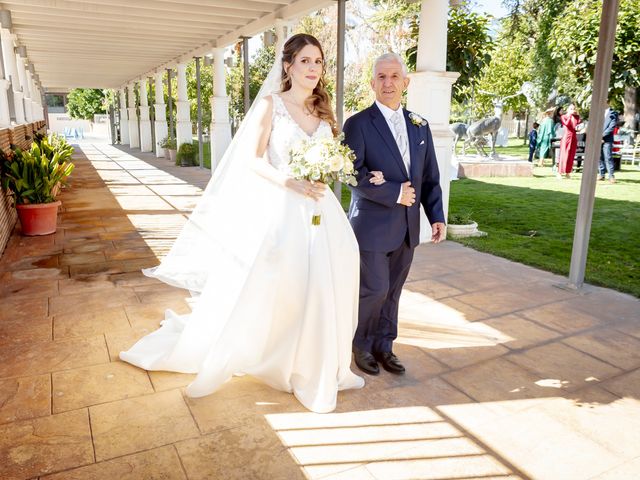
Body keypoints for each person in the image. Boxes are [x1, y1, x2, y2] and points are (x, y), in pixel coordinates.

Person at [120, 34, 370, 414]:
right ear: (288, 66)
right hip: (284, 207)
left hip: (321, 207)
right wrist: (291, 182)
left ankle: (318, 358)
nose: (313, 69)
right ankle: (281, 356)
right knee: (286, 286)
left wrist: (325, 170)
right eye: (305, 61)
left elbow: (331, 156)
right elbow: (252, 161)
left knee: (325, 280)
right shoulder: (271, 106)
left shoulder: (323, 111)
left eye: (318, 62)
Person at [343, 53, 445, 376]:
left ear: (405, 82)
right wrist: (393, 192)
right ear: (372, 83)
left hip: (407, 228)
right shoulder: (357, 124)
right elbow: (351, 174)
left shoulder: (420, 126)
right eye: (381, 77)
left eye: (393, 76)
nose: (388, 83)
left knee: (394, 290)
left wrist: (436, 216)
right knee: (374, 288)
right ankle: (360, 344)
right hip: (370, 226)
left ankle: (385, 345)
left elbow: (429, 177)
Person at [558, 103, 580, 178]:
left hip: (573, 137)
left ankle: (568, 172)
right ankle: (560, 172)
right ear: (567, 109)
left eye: (573, 109)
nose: (572, 110)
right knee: (564, 154)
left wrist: (574, 115)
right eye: (571, 108)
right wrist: (570, 115)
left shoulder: (576, 117)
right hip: (566, 137)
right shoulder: (563, 116)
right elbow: (567, 124)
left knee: (571, 155)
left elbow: (576, 125)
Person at [599, 101, 619, 183]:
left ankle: (611, 175)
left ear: (608, 103)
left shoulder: (613, 113)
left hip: (607, 139)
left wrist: (602, 135)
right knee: (599, 157)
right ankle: (601, 174)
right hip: (597, 139)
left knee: (608, 157)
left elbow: (612, 127)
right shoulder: (598, 112)